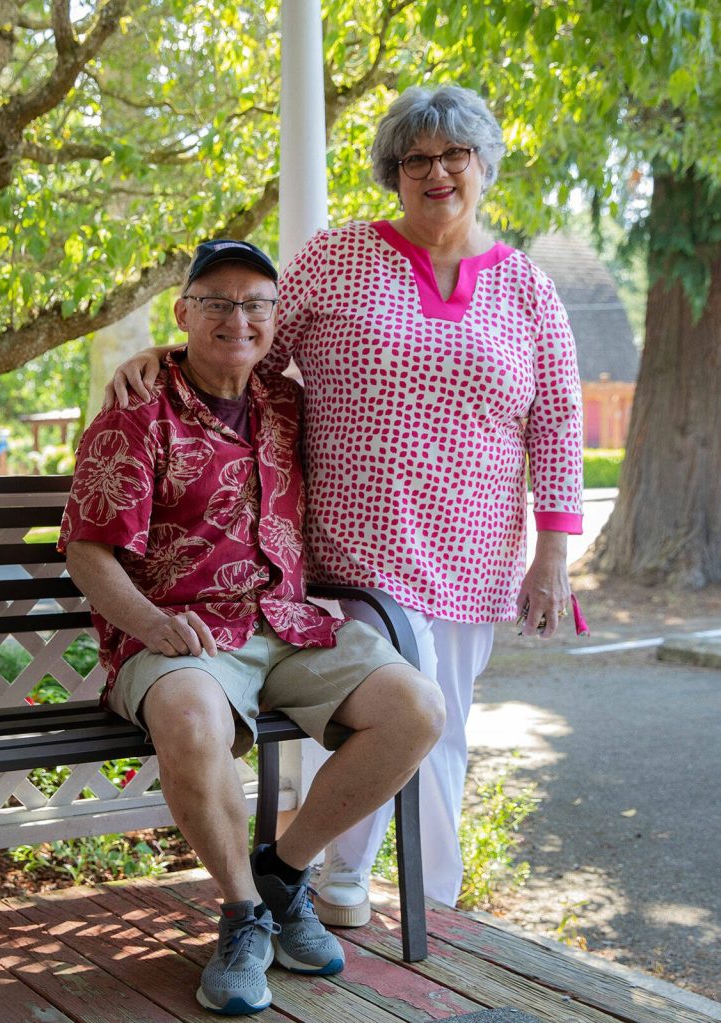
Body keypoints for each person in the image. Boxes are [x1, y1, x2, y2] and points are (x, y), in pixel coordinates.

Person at [106, 84, 586, 928]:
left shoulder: (529, 290)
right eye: (414, 159)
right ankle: (358, 883)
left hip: (474, 543)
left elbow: (555, 420)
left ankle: (401, 890)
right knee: (402, 702)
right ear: (391, 173)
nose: (435, 173)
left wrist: (551, 552)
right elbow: (244, 338)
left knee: (447, 719)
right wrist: (162, 351)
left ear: (482, 164)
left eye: (453, 155)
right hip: (352, 538)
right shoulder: (336, 258)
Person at [59, 238, 444, 1015]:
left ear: (275, 317)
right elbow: (88, 552)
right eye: (217, 303)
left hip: (287, 622)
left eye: (256, 304)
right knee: (193, 719)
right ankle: (241, 915)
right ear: (184, 312)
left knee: (416, 710)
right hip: (183, 636)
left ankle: (282, 873)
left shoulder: (283, 399)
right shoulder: (138, 413)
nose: (239, 318)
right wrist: (152, 623)